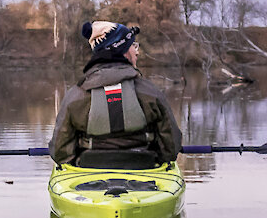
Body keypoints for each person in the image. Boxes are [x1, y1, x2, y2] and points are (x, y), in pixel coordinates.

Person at [49, 21, 183, 168]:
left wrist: (75, 162)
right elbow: (171, 147)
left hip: (89, 173)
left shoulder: (75, 96)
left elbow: (60, 152)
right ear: (121, 50)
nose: (137, 52)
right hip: (144, 168)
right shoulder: (151, 92)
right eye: (133, 46)